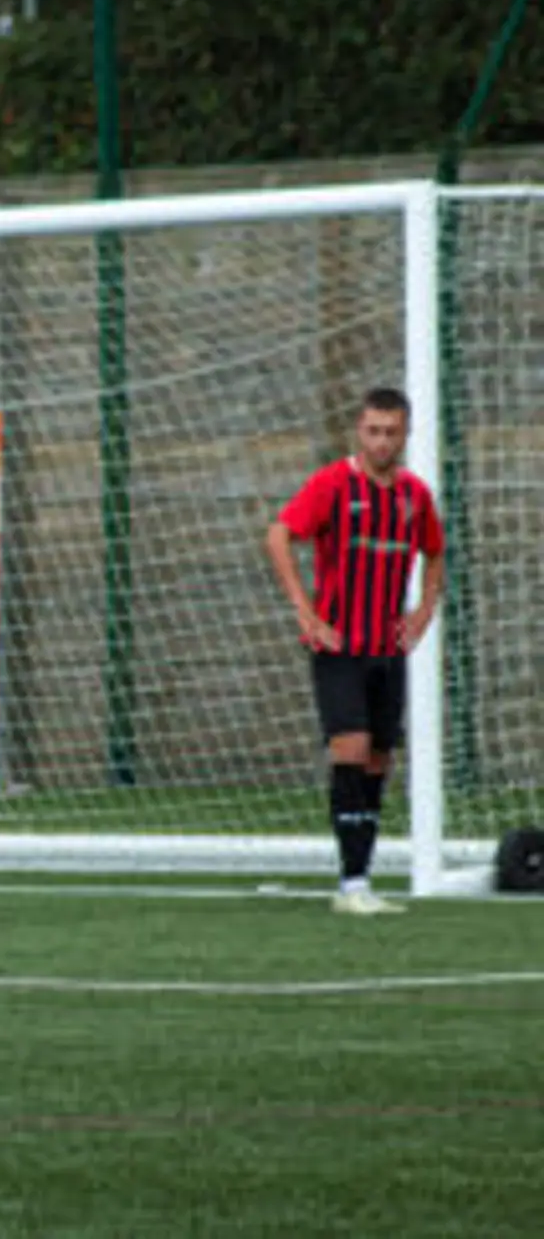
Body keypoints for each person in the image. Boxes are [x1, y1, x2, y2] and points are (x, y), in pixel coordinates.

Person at [265, 387, 444, 916]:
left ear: (406, 434)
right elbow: (278, 535)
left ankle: (361, 878)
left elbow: (435, 553)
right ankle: (351, 883)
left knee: (380, 759)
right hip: (339, 644)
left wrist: (424, 611)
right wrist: (305, 610)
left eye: (391, 432)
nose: (382, 441)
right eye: (373, 430)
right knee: (352, 748)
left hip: (387, 648)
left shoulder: (414, 497)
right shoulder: (333, 485)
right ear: (358, 432)